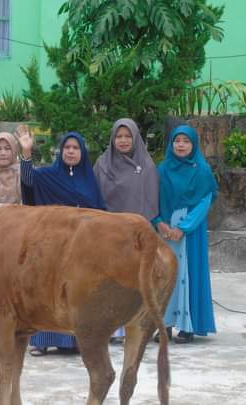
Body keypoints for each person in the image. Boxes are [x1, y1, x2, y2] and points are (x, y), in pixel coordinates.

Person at [17, 125, 106, 356]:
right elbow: (28, 182)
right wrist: (26, 153)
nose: (71, 151)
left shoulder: (90, 181)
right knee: (48, 290)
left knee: (76, 292)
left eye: (76, 148)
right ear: (61, 151)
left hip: (80, 248)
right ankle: (42, 341)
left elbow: (100, 213)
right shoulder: (48, 176)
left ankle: (75, 341)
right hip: (52, 246)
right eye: (67, 147)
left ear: (83, 153)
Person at [93, 118, 159, 343]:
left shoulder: (147, 166)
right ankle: (110, 328)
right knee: (109, 281)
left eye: (127, 136)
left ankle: (134, 327)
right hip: (109, 233)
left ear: (135, 138)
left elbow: (151, 201)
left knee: (134, 282)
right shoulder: (102, 164)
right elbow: (95, 198)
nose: (122, 140)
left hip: (136, 234)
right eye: (118, 136)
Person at [154, 125, 218, 344]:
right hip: (165, 230)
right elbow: (154, 197)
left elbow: (205, 201)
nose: (180, 145)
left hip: (190, 232)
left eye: (186, 141)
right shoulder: (163, 169)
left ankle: (187, 326)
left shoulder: (201, 170)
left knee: (187, 275)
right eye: (177, 141)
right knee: (164, 275)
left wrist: (184, 228)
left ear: (193, 145)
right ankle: (164, 324)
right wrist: (159, 222)